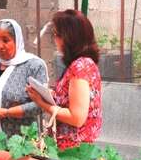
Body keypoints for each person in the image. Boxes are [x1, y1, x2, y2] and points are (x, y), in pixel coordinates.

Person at [26, 9, 102, 150]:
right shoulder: (83, 63)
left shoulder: (80, 67)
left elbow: (76, 118)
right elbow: (71, 100)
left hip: (72, 151)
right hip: (73, 148)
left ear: (68, 38)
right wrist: (47, 93)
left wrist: (41, 103)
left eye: (56, 35)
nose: (55, 40)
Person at [0, 19, 48, 137]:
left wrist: (8, 113)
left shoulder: (33, 66)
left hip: (19, 142)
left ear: (17, 40)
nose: (0, 46)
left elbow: (41, 105)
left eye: (5, 40)